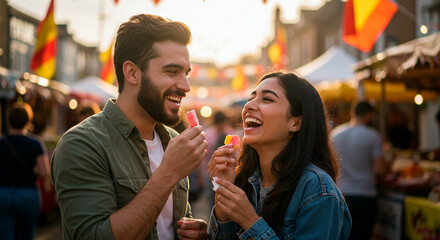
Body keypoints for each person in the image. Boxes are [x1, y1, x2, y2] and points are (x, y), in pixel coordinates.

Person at [51, 14, 209, 240]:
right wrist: (169, 173)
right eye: (172, 72)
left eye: (186, 73)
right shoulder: (82, 144)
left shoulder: (172, 140)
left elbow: (171, 223)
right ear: (132, 72)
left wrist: (193, 231)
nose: (185, 85)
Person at [208, 72, 352, 239]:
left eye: (267, 99)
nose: (248, 106)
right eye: (251, 98)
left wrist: (250, 221)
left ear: (295, 123)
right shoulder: (246, 180)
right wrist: (223, 192)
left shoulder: (317, 190)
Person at [331, 101, 390, 240]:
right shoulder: (372, 136)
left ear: (352, 112)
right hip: (365, 194)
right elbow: (380, 169)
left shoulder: (335, 134)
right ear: (369, 115)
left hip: (340, 194)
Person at [0, 102, 50, 240]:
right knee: (26, 235)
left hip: (3, 193)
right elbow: (44, 171)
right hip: (28, 194)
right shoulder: (35, 143)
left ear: (8, 121)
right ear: (28, 121)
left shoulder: (1, 142)